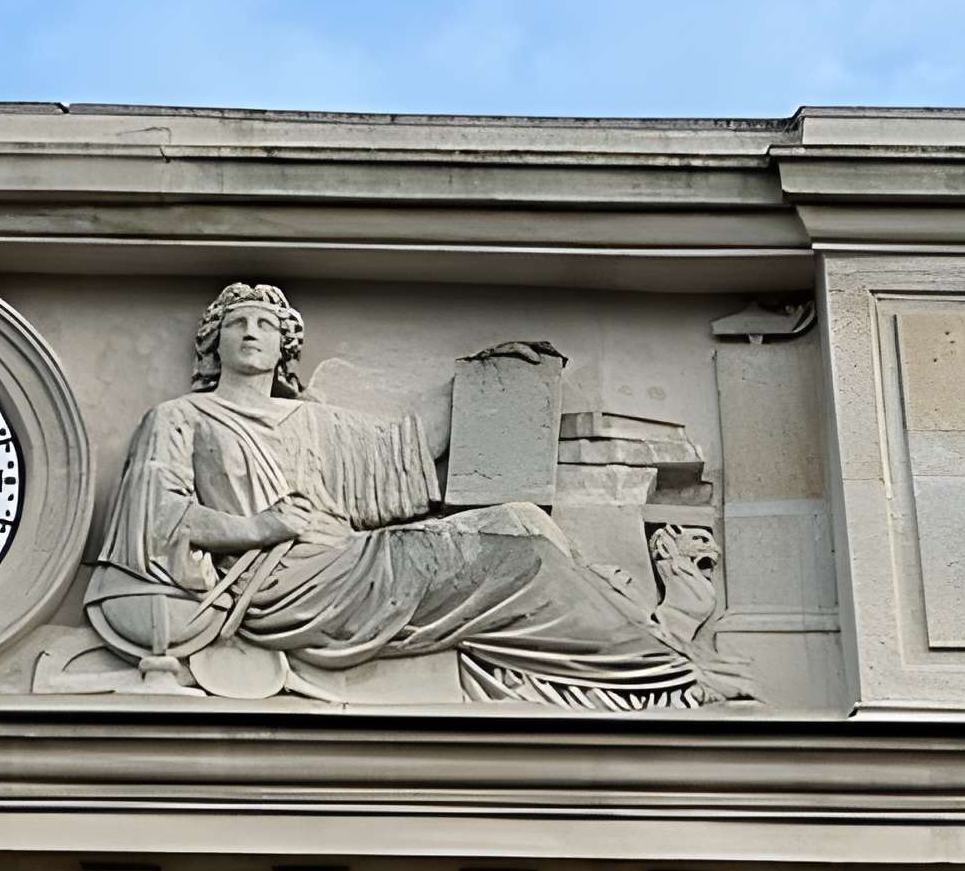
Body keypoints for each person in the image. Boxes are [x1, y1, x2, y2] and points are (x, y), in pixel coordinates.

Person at [84, 282, 730, 707]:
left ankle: (646, 641)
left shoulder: (314, 422)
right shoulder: (180, 417)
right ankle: (657, 677)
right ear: (214, 341)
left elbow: (401, 457)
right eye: (237, 324)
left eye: (265, 325)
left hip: (347, 558)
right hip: (283, 582)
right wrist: (260, 526)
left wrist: (486, 380)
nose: (251, 333)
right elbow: (157, 516)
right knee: (525, 562)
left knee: (522, 519)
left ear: (285, 348)